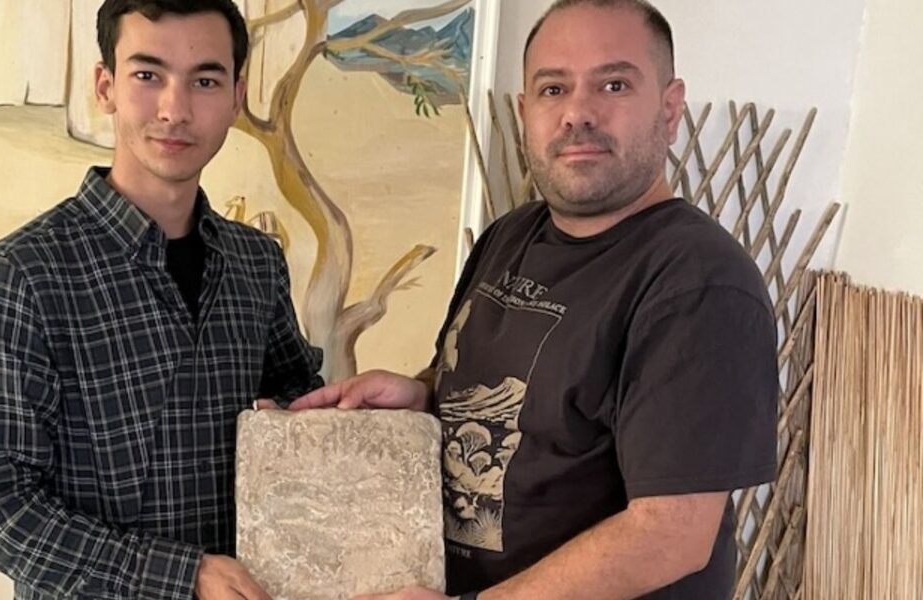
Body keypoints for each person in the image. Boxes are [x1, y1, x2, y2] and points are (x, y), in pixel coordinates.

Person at [290, 1, 778, 599]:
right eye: (553, 89)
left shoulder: (699, 284)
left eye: (614, 84)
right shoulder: (511, 235)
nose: (577, 113)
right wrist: (423, 394)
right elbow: (511, 392)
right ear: (525, 113)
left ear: (670, 108)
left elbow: (670, 533)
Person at [0, 1, 322, 599]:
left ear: (236, 97)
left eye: (204, 81)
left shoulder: (256, 262)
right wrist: (185, 574)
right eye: (147, 75)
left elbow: (297, 403)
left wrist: (362, 409)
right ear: (105, 86)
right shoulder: (18, 276)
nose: (175, 109)